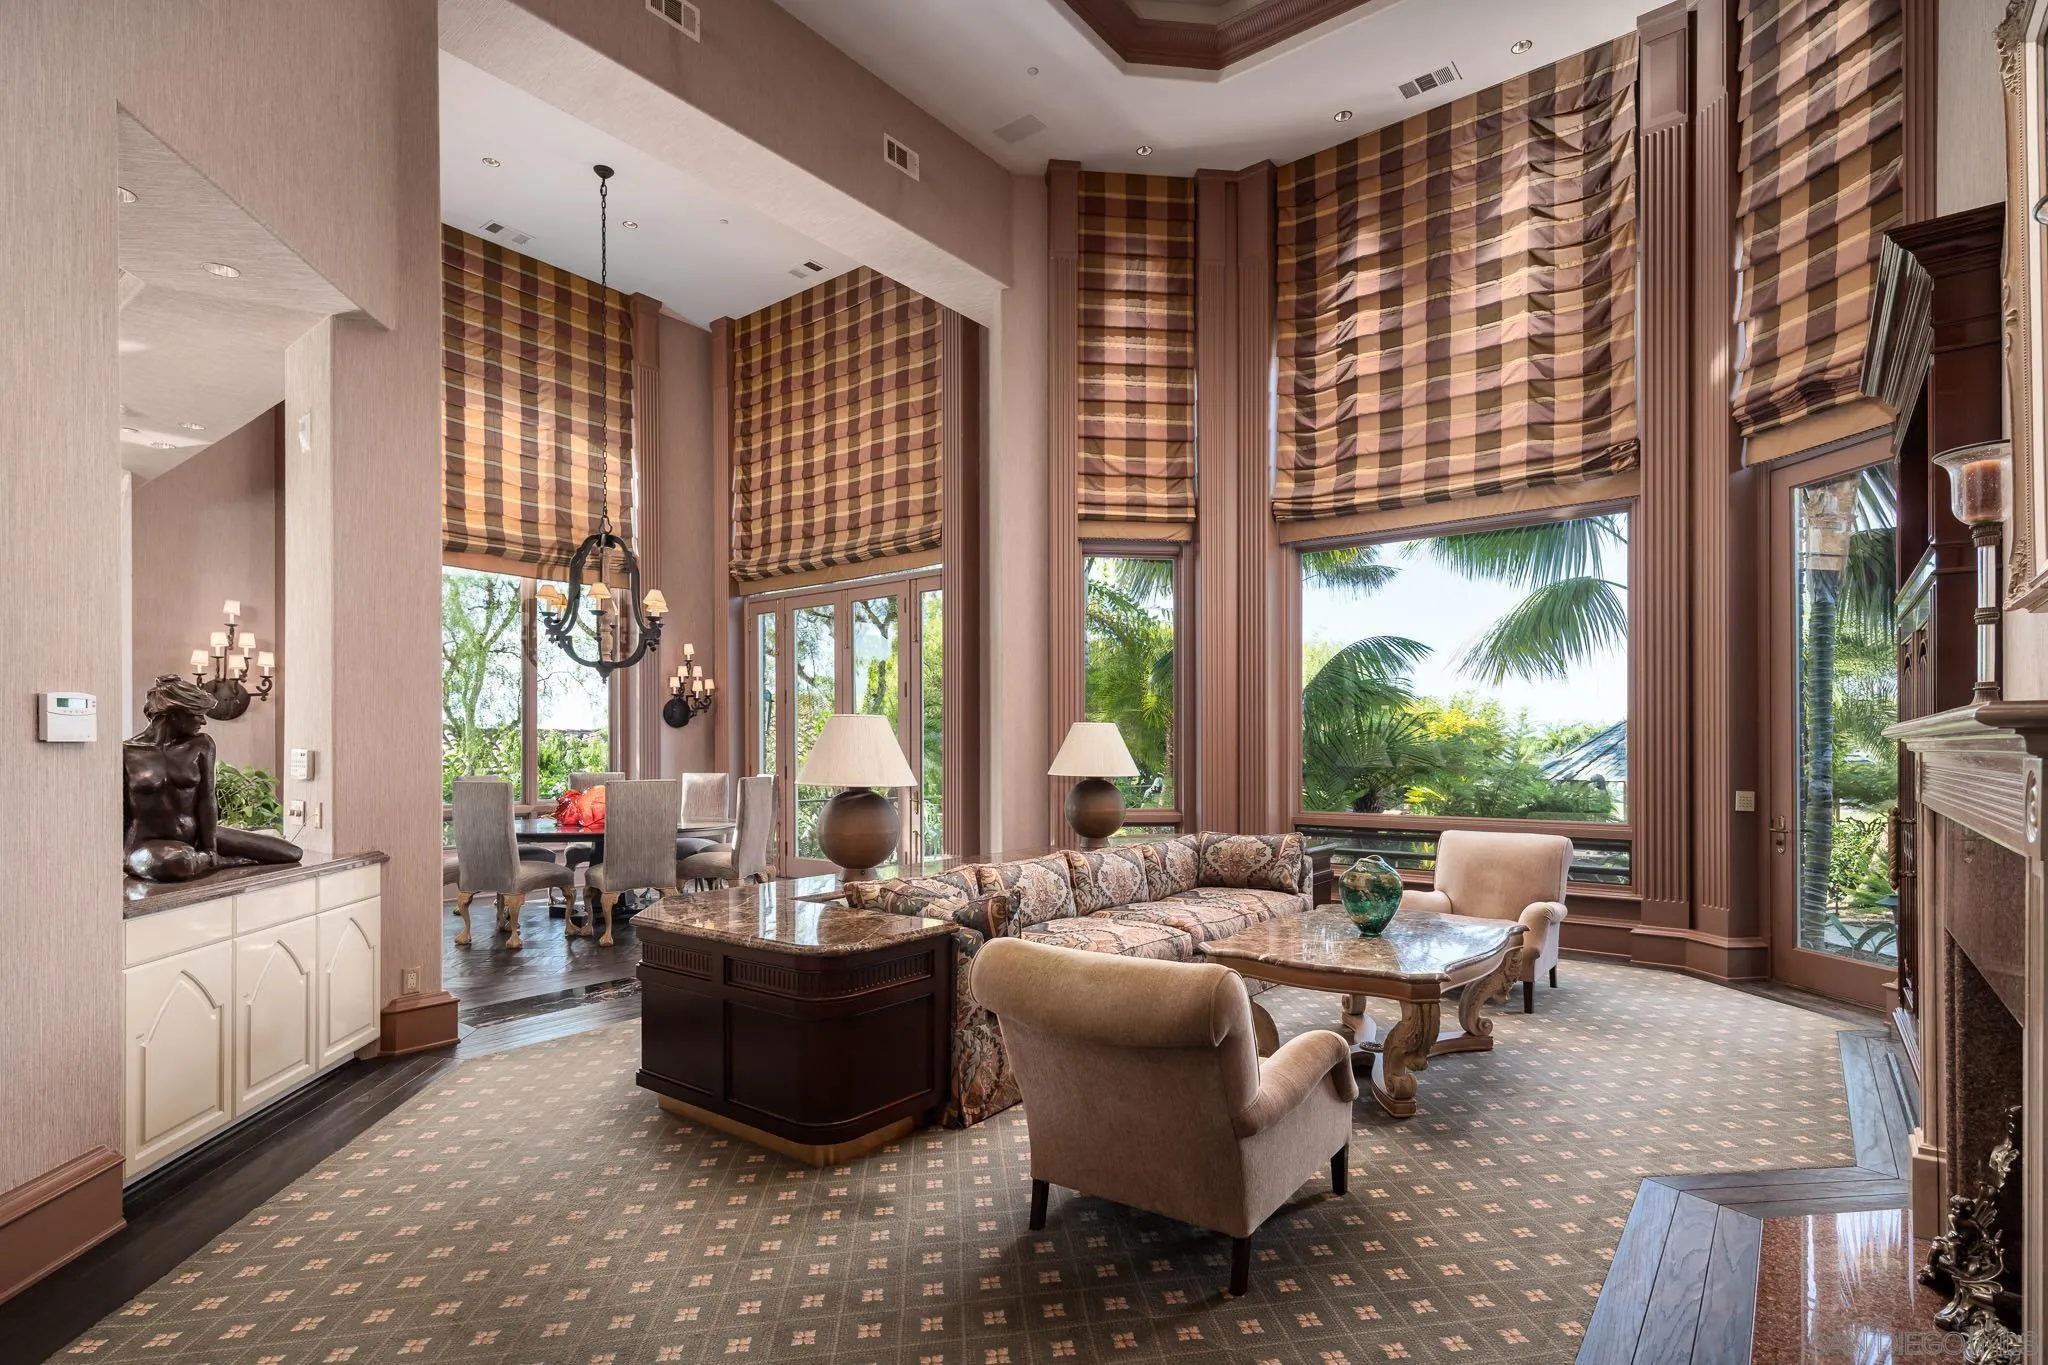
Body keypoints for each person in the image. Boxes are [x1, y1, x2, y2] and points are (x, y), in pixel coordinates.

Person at [124, 674, 302, 882]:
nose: (203, 721)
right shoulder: (126, 752)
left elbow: (206, 800)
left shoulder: (201, 745)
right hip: (148, 845)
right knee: (175, 862)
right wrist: (124, 854)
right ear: (173, 714)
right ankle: (221, 862)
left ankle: (205, 860)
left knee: (289, 853)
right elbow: (119, 813)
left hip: (197, 837)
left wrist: (210, 849)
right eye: (196, 714)